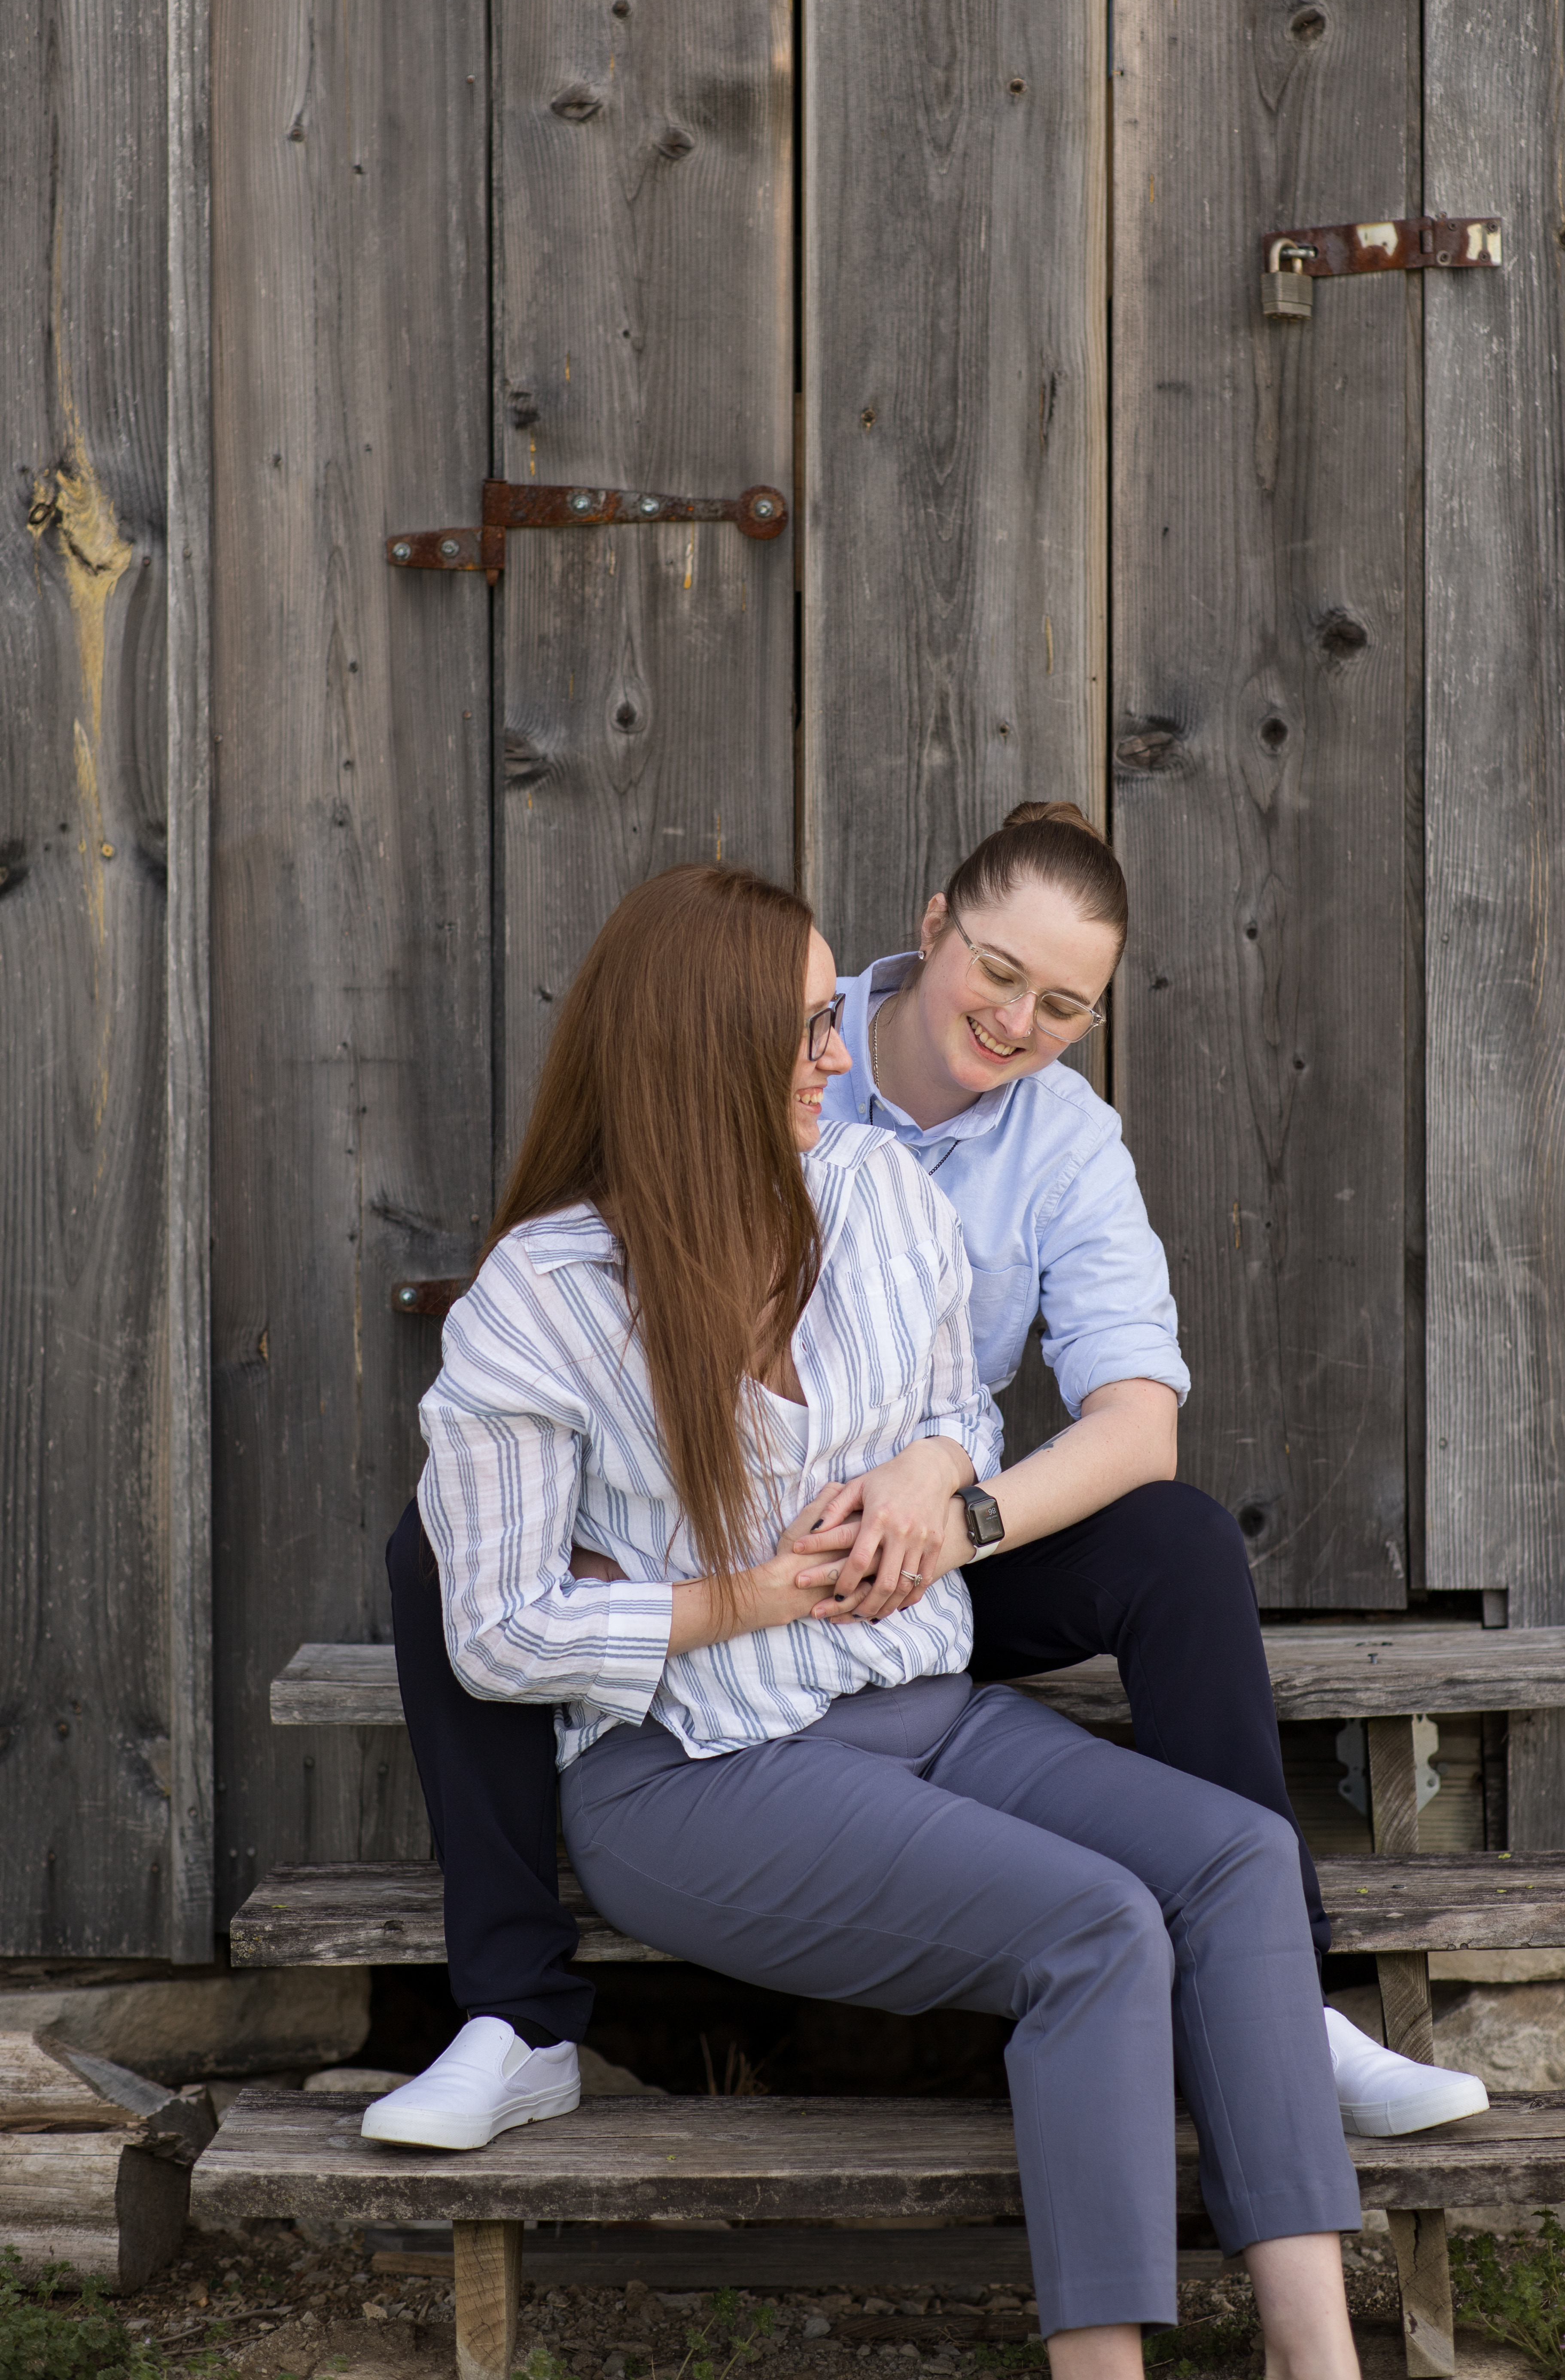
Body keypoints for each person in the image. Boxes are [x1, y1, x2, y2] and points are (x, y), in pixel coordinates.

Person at [369, 807, 1485, 2151]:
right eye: (999, 973)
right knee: (437, 1547)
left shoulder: (1062, 1141)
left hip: (929, 1550)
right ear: (932, 929)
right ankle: (518, 2017)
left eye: (1064, 1005)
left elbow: (1134, 1421)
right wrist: (699, 1582)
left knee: (1180, 1541)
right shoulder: (768, 1029)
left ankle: (1277, 2000)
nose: (1018, 1022)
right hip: (721, 1566)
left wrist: (948, 1510)